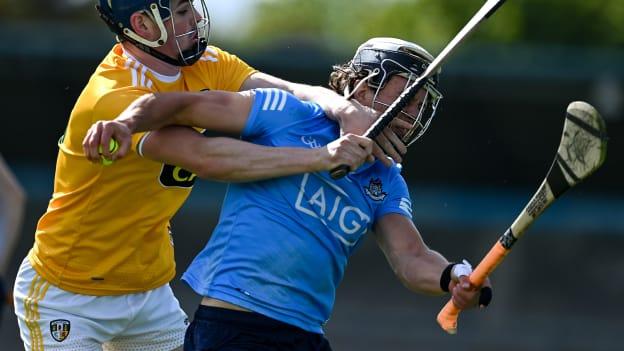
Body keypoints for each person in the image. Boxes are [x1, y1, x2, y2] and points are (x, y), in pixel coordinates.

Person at [12, 1, 406, 350]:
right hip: (67, 291)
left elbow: (288, 89)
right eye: (181, 11)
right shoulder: (113, 97)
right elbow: (206, 157)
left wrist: (342, 108)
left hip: (147, 288)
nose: (197, 18)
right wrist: (322, 156)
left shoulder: (208, 63)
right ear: (144, 25)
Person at [85, 37, 492, 351]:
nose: (413, 114)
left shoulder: (386, 179)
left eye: (422, 105)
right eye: (407, 96)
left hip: (306, 336)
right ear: (365, 87)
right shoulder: (287, 113)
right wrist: (126, 121)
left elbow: (411, 257)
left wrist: (453, 276)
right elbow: (181, 106)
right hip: (235, 326)